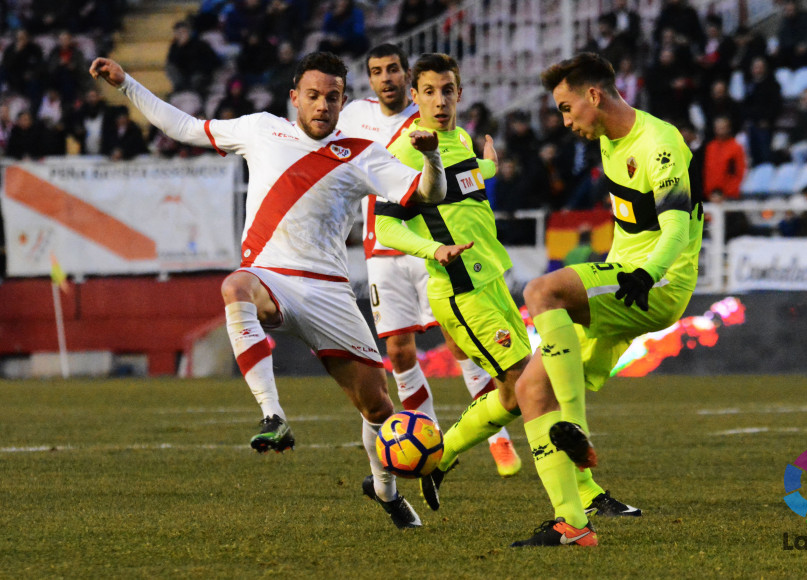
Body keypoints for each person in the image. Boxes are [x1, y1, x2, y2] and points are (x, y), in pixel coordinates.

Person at [89, 52, 448, 529]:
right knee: (235, 284)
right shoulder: (260, 129)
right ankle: (272, 415)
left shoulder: (362, 152)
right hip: (270, 276)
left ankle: (384, 490)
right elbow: (184, 127)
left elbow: (429, 194)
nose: (323, 106)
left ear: (344, 101)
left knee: (379, 407)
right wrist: (127, 82)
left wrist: (431, 156)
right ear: (295, 97)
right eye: (314, 96)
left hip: (329, 293)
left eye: (333, 98)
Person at [374, 53, 640, 534]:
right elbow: (386, 224)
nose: (439, 100)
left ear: (460, 92)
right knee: (530, 386)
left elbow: (463, 182)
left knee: (514, 394)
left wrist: (488, 167)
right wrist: (434, 249)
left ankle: (440, 459)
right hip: (461, 290)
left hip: (491, 281)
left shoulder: (456, 141)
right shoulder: (407, 150)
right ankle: (582, 496)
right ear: (413, 96)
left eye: (447, 90)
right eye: (429, 91)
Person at [510, 52, 703, 547]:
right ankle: (573, 524)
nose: (565, 119)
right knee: (531, 391)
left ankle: (575, 426)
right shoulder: (609, 141)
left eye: (566, 107)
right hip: (623, 278)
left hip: (657, 282)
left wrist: (648, 272)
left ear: (593, 95)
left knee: (541, 289)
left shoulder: (660, 143)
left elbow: (676, 229)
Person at [336, 43, 522, 477]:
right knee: (400, 352)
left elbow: (460, 177)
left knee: (462, 345)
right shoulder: (357, 120)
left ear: (406, 79)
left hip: (439, 252)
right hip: (392, 251)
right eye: (377, 71)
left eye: (393, 70)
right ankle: (431, 441)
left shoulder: (444, 131)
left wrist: (487, 167)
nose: (386, 78)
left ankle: (493, 439)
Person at [703, 116, 746, 200]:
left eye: (723, 128)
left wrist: (727, 193)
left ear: (729, 128)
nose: (720, 130)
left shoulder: (736, 147)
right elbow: (707, 172)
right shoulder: (710, 147)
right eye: (718, 128)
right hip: (711, 195)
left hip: (729, 196)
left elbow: (739, 172)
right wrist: (709, 192)